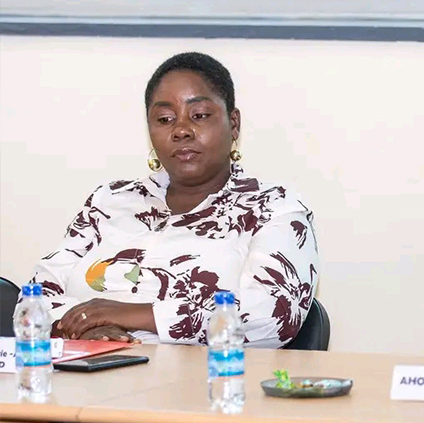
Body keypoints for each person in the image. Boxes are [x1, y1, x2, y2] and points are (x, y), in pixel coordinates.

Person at [32, 52, 318, 347]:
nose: (181, 130)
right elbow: (35, 296)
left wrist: (132, 315)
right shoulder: (108, 201)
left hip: (201, 374)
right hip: (86, 366)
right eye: (165, 119)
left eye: (199, 116)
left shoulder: (274, 207)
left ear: (234, 124)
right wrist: (88, 329)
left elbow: (274, 316)